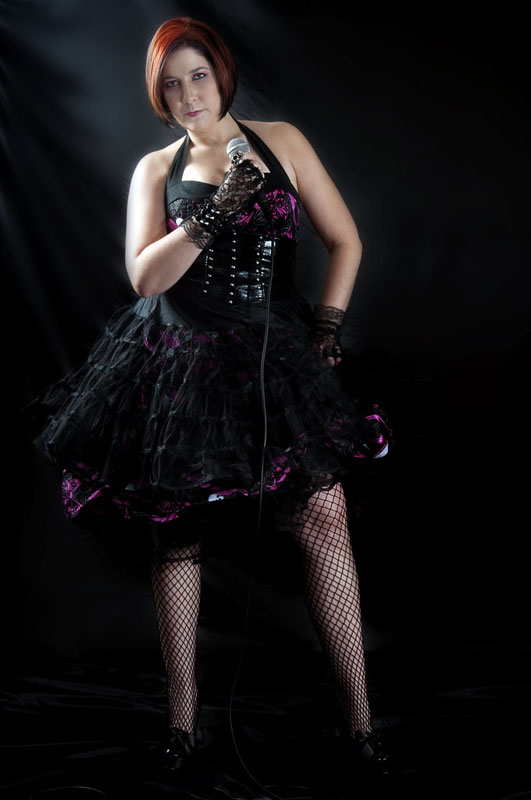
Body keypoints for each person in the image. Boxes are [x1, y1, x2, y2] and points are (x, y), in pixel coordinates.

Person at [22, 16, 393, 783]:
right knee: (177, 531)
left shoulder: (281, 141)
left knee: (323, 518)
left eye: (197, 75)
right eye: (170, 84)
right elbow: (146, 278)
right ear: (156, 96)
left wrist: (326, 328)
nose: (187, 94)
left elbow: (345, 240)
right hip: (180, 359)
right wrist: (218, 207)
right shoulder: (155, 170)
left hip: (271, 353)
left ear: (221, 73)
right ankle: (182, 726)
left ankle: (358, 722)